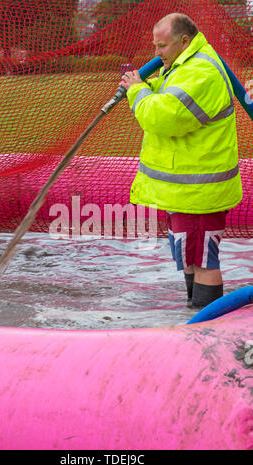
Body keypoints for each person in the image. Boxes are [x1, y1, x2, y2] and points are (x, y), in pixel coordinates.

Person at [119, 13, 242, 308]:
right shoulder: (182, 65)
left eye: (161, 46)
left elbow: (165, 118)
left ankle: (204, 332)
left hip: (199, 193)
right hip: (185, 192)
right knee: (190, 257)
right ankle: (190, 318)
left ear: (184, 41)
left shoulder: (201, 71)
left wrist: (137, 89)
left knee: (202, 261)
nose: (156, 53)